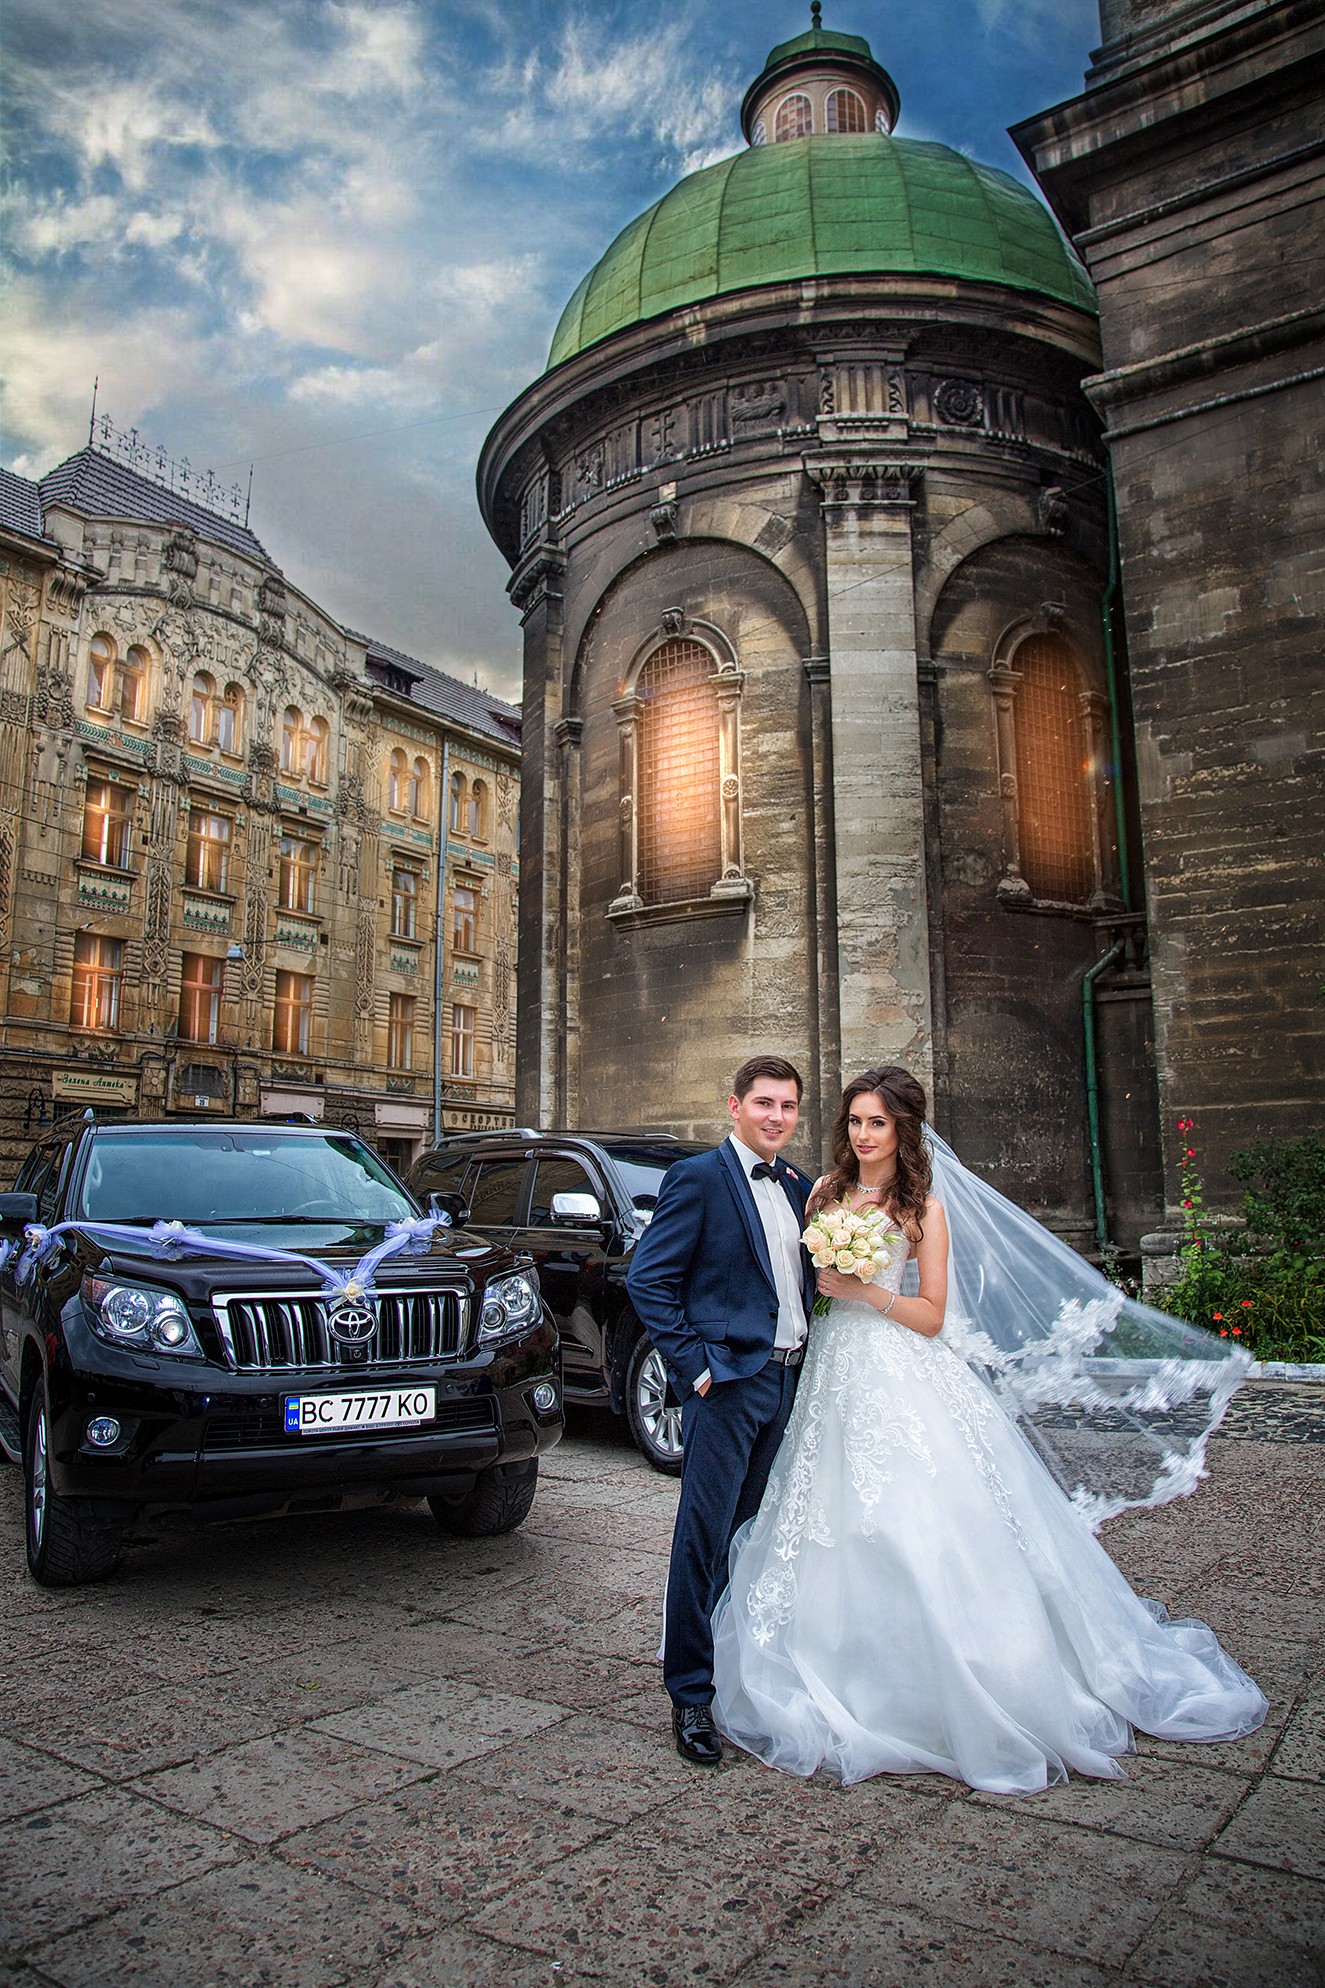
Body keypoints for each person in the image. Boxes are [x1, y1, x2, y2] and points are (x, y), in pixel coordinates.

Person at [710, 1066, 1267, 1794]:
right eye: (853, 1121)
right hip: (831, 1369)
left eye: (877, 1122)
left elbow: (933, 1315)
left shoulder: (923, 1209)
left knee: (915, 1522)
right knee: (826, 1516)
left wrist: (861, 1289)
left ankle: (963, 1683)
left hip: (898, 1365)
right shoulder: (821, 1193)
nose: (863, 1135)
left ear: (902, 1130)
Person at [626, 1055, 817, 1766]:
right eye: (763, 1103)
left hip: (787, 1381)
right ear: (733, 1106)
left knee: (752, 1536)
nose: (775, 1117)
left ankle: (738, 1675)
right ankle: (691, 1695)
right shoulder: (699, 1179)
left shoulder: (797, 1186)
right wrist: (696, 1369)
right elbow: (649, 1279)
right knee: (702, 1540)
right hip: (729, 1385)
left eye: (788, 1106)